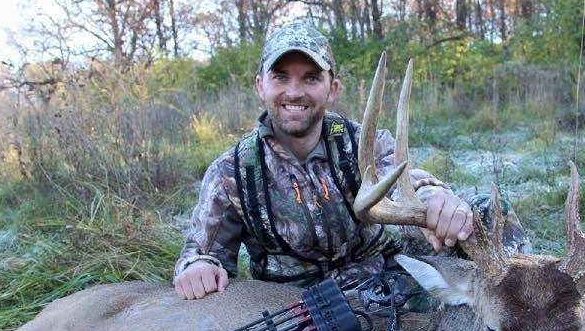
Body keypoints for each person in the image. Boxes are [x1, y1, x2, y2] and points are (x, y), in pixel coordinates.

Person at [173, 20, 527, 300]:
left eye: (311, 78)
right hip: (293, 311)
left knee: (484, 213)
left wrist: (436, 201)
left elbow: (407, 182)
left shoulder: (362, 143)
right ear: (260, 85)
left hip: (385, 288)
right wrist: (198, 266)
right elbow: (202, 252)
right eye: (280, 77)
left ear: (333, 87)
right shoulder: (233, 170)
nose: (294, 92)